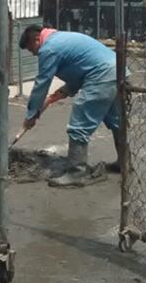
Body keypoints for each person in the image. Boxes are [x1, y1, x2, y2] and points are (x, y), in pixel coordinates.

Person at [19, 24, 125, 188]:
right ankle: (124, 163)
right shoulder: (61, 39)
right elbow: (80, 71)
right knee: (116, 120)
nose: (34, 54)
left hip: (102, 74)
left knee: (79, 122)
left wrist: (31, 114)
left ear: (36, 40)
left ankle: (76, 174)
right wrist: (55, 96)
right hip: (116, 71)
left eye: (31, 49)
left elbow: (42, 83)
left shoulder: (49, 48)